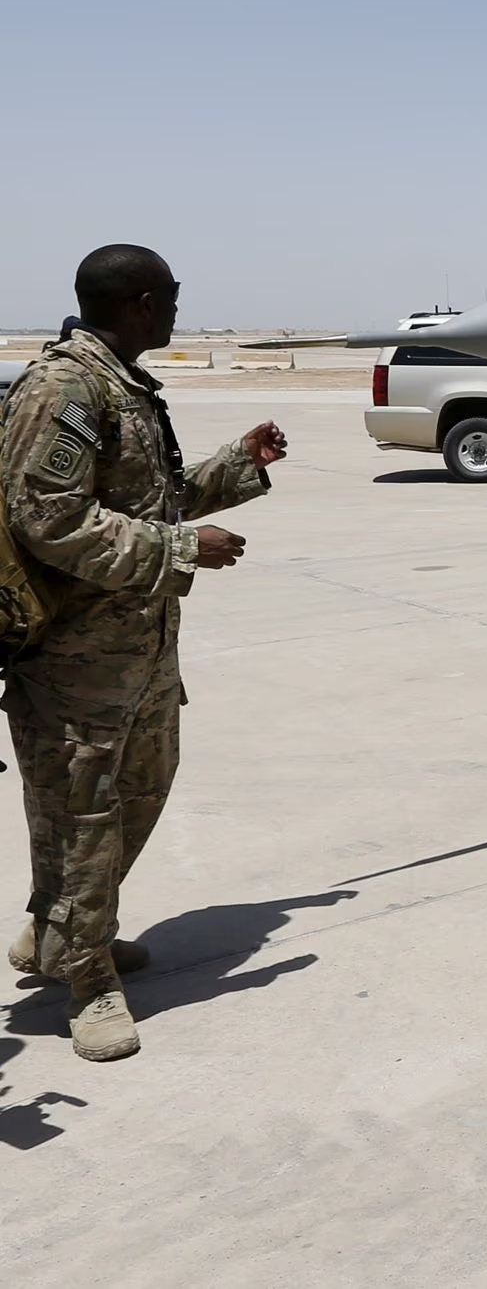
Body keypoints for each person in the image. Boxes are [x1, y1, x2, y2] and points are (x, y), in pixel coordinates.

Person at [0, 245, 287, 1062]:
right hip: (74, 662)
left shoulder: (122, 385)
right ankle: (86, 983)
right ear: (139, 301)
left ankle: (61, 932)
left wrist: (237, 466)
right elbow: (47, 522)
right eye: (168, 300)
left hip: (141, 653)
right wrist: (181, 548)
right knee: (82, 817)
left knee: (138, 795)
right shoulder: (67, 388)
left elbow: (145, 500)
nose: (173, 313)